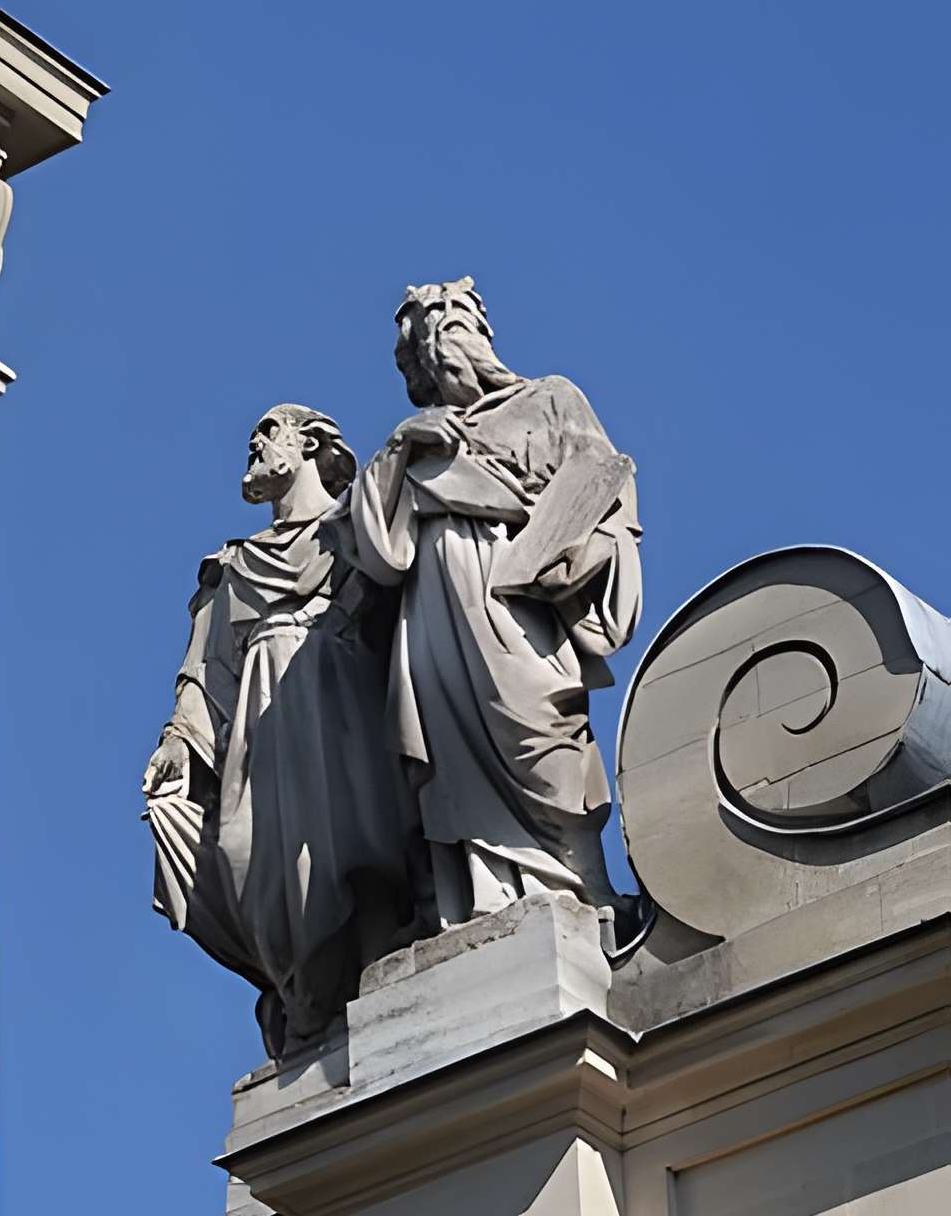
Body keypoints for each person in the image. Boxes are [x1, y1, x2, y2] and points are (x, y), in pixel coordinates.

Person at [348, 279, 641, 929]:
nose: (447, 349)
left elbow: (608, 493)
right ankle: (481, 903)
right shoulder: (409, 445)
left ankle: (581, 886)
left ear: (483, 334)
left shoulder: (551, 397)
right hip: (437, 614)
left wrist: (577, 555)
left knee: (544, 734)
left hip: (522, 600)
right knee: (453, 760)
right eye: (431, 344)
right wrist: (403, 447)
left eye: (456, 331)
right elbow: (379, 553)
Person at [144, 402, 413, 1054]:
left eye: (269, 431)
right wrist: (181, 739)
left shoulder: (353, 528)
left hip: (338, 706)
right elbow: (208, 672)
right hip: (260, 731)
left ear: (311, 442)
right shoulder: (232, 567)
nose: (255, 443)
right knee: (238, 851)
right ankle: (303, 993)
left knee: (349, 855)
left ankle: (355, 995)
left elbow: (402, 600)